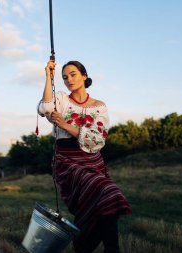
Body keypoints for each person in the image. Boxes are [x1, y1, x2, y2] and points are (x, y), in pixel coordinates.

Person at [37, 60, 132, 253]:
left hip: (92, 161)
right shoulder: (62, 99)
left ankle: (89, 247)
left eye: (73, 74)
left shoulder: (99, 107)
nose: (68, 79)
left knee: (106, 199)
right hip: (67, 163)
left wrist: (64, 125)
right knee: (106, 191)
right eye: (64, 77)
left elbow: (97, 139)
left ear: (84, 76)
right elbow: (45, 108)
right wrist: (48, 75)